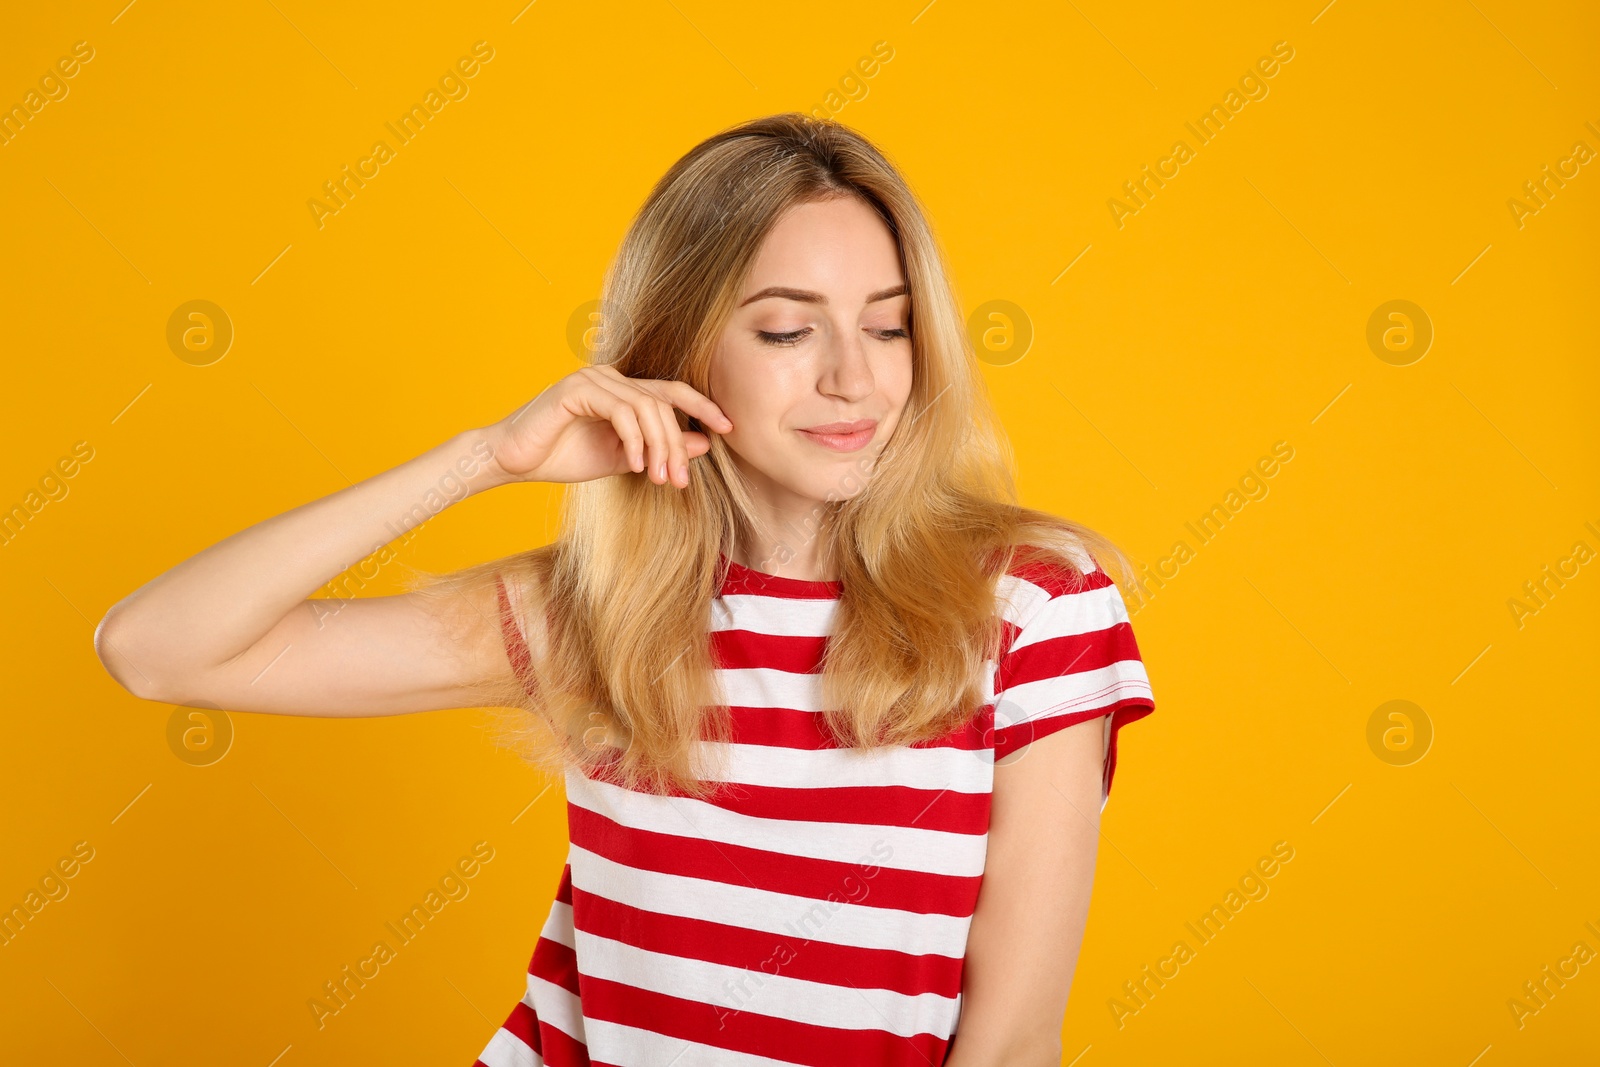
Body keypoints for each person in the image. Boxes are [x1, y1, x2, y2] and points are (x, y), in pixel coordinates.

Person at [95, 112, 1156, 1067]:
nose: (854, 376)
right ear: (681, 347)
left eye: (888, 324)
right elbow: (158, 647)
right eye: (787, 329)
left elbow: (1014, 1038)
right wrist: (487, 458)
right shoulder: (591, 614)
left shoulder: (1032, 607)